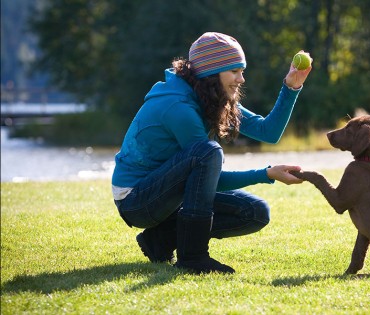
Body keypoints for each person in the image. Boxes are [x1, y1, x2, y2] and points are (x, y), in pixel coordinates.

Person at [111, 32, 312, 274]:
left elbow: (267, 132)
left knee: (255, 213)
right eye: (235, 71)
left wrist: (292, 87)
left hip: (168, 195)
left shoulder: (210, 95)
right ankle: (193, 257)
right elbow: (211, 176)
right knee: (208, 152)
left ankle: (160, 239)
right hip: (136, 199)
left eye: (242, 70)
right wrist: (266, 174)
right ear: (211, 73)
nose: (241, 79)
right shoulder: (178, 107)